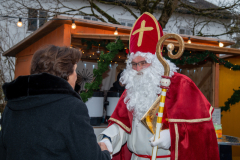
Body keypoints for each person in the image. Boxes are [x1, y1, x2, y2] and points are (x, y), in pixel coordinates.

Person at [98, 12, 220, 160]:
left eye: (143, 63)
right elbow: (122, 125)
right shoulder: (132, 90)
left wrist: (172, 136)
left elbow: (203, 130)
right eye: (134, 64)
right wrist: (108, 139)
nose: (138, 69)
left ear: (157, 61)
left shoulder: (181, 85)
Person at [0, 45, 111, 160]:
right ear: (65, 74)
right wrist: (105, 152)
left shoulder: (11, 107)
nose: (76, 76)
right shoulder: (72, 107)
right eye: (75, 70)